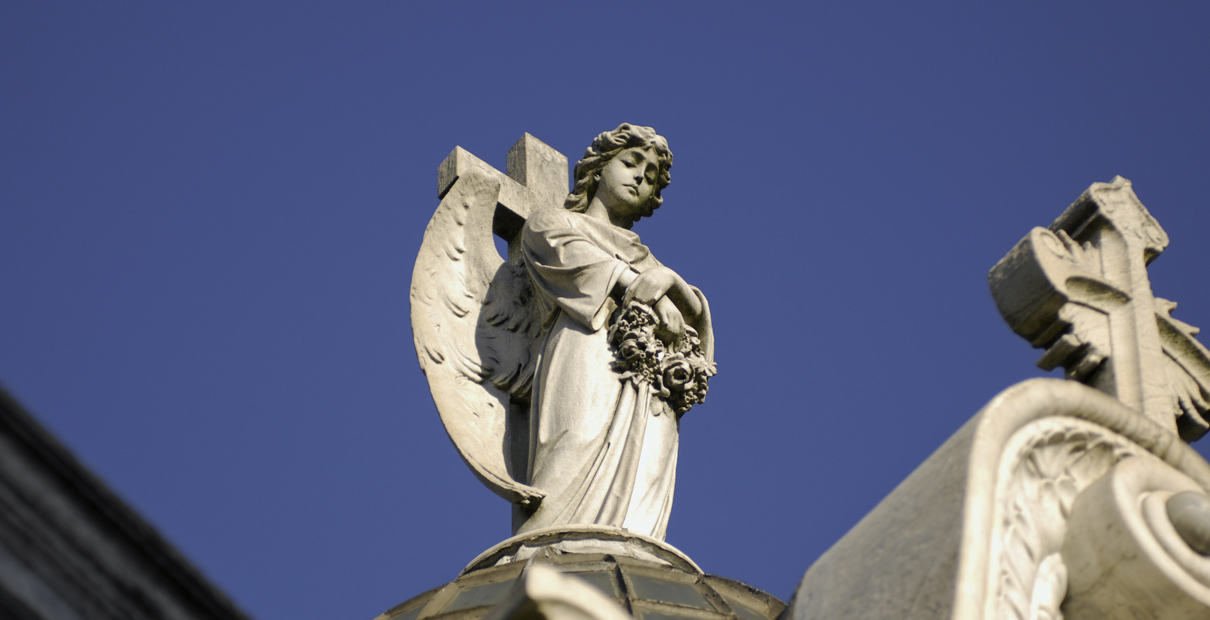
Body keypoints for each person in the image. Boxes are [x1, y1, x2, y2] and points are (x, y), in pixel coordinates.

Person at [517, 124, 712, 540]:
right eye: (630, 162)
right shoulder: (553, 224)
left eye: (652, 175)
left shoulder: (651, 261)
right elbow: (575, 260)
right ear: (599, 168)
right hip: (589, 351)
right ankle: (549, 547)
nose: (640, 176)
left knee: (647, 465)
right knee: (576, 445)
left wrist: (669, 282)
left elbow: (692, 322)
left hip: (649, 381)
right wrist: (648, 289)